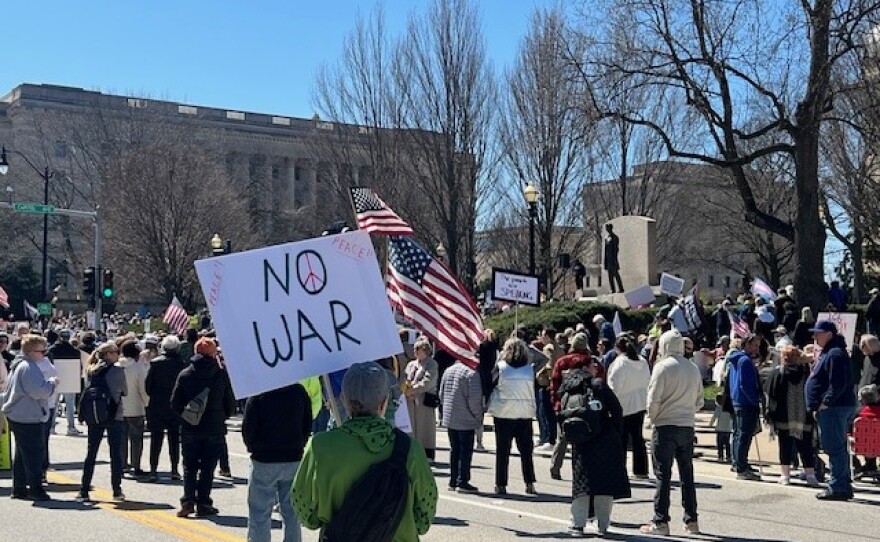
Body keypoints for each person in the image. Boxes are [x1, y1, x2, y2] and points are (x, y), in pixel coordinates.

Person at [292, 362, 438, 540]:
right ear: (384, 403)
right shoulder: (410, 449)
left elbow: (306, 514)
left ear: (344, 401)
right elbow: (424, 519)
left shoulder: (320, 446)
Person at [640, 330, 704, 536]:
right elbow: (700, 401)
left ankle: (661, 521)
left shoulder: (662, 367)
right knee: (687, 474)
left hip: (665, 425)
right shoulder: (692, 368)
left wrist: (653, 418)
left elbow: (653, 399)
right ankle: (691, 520)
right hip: (686, 425)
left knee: (663, 476)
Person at [563, 354, 630, 536]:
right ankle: (602, 525)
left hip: (581, 440)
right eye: (592, 363)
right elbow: (616, 409)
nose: (595, 366)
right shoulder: (598, 384)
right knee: (604, 483)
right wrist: (616, 431)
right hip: (604, 439)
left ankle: (577, 524)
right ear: (586, 367)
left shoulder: (569, 387)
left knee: (581, 484)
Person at [171, 337, 236, 517]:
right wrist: (221, 417)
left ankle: (188, 500)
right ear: (214, 353)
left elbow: (175, 403)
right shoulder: (220, 375)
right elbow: (230, 403)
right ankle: (204, 503)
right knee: (208, 468)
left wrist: (187, 417)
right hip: (214, 428)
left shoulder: (185, 374)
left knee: (189, 466)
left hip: (190, 428)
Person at [243, 382, 312, 542]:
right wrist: (299, 444)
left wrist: (254, 447)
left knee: (260, 514)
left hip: (264, 459)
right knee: (292, 513)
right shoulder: (299, 391)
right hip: (293, 457)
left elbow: (248, 427)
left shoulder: (259, 392)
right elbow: (307, 422)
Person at [1, 334, 58, 500]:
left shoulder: (19, 365)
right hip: (27, 415)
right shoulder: (28, 367)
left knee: (22, 453)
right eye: (42, 351)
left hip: (19, 414)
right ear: (32, 352)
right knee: (34, 453)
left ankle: (19, 488)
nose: (45, 354)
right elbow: (38, 391)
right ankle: (35, 489)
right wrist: (52, 383)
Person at [806, 320, 856, 500]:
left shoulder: (834, 353)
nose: (814, 337)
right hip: (835, 407)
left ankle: (838, 486)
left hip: (834, 408)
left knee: (834, 447)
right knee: (838, 446)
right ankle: (842, 483)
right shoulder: (832, 352)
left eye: (818, 333)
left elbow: (838, 383)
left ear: (828, 334)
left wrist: (825, 402)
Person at [77, 341, 128, 502]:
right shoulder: (118, 370)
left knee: (91, 453)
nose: (118, 355)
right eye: (115, 352)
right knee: (115, 454)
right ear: (107, 354)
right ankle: (116, 489)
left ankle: (84, 489)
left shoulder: (90, 370)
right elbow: (124, 391)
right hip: (114, 415)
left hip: (95, 415)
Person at [487, 338, 537, 495]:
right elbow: (543, 358)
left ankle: (501, 484)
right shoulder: (530, 369)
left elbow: (490, 384)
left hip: (504, 414)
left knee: (502, 451)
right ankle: (529, 482)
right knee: (526, 451)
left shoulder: (500, 368)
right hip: (524, 414)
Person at [764, 345, 819, 486]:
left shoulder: (778, 373)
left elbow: (770, 393)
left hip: (784, 416)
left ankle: (785, 475)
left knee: (785, 445)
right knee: (806, 446)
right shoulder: (807, 372)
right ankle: (810, 475)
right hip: (804, 416)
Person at [549, 333, 592, 480]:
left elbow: (554, 385)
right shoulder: (590, 362)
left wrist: (556, 403)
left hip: (565, 405)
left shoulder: (562, 362)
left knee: (562, 438)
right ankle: (581, 471)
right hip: (585, 405)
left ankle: (555, 468)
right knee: (585, 439)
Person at [606, 336, 651, 479]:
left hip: (623, 405)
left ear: (617, 348)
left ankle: (620, 469)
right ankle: (641, 470)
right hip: (640, 403)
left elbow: (614, 386)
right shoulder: (642, 361)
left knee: (621, 439)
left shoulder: (620, 363)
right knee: (638, 437)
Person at [439, 356, 483, 493]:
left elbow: (441, 394)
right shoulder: (471, 374)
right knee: (465, 451)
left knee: (454, 450)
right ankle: (462, 481)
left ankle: (453, 480)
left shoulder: (448, 371)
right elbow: (475, 401)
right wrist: (479, 417)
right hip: (466, 419)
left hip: (450, 416)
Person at [145, 335, 186, 482]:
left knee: (156, 439)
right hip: (175, 406)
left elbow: (148, 387)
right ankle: (174, 469)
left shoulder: (155, 364)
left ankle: (153, 470)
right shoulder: (181, 364)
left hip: (157, 404)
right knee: (174, 439)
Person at [727, 334, 763, 480]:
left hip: (737, 400)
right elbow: (745, 384)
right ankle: (741, 467)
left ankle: (738, 462)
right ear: (747, 344)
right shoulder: (745, 361)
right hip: (746, 402)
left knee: (738, 433)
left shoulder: (736, 360)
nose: (756, 348)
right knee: (744, 435)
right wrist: (755, 400)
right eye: (754, 345)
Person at [404, 338, 439, 461]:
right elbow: (405, 378)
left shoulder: (432, 364)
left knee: (425, 427)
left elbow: (427, 382)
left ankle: (427, 453)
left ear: (426, 350)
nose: (416, 352)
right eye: (415, 349)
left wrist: (413, 390)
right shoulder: (411, 364)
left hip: (424, 400)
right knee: (412, 428)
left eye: (418, 349)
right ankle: (412, 451)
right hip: (410, 401)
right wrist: (406, 390)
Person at [118, 339, 149, 477]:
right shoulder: (138, 368)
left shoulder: (117, 366)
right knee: (136, 439)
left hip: (118, 408)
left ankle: (122, 465)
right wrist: (147, 403)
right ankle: (136, 465)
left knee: (121, 439)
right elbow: (143, 389)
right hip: (136, 407)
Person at [46, 329, 83, 436]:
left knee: (53, 403)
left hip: (55, 378)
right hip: (70, 379)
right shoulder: (75, 351)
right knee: (70, 404)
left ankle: (52, 426)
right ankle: (71, 427)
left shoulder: (51, 350)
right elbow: (79, 367)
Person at [708, 394, 732, 463]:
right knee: (727, 444)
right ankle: (728, 456)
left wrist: (710, 424)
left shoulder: (718, 408)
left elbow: (714, 417)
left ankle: (720, 457)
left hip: (720, 429)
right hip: (728, 429)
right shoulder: (729, 409)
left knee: (720, 444)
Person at [603, 223, 624, 293]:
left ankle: (621, 288)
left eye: (608, 228)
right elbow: (605, 250)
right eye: (606, 228)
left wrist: (614, 259)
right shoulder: (607, 238)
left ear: (611, 228)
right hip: (608, 259)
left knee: (616, 274)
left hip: (613, 259)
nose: (607, 229)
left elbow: (616, 249)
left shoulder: (615, 237)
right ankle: (612, 289)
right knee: (610, 276)